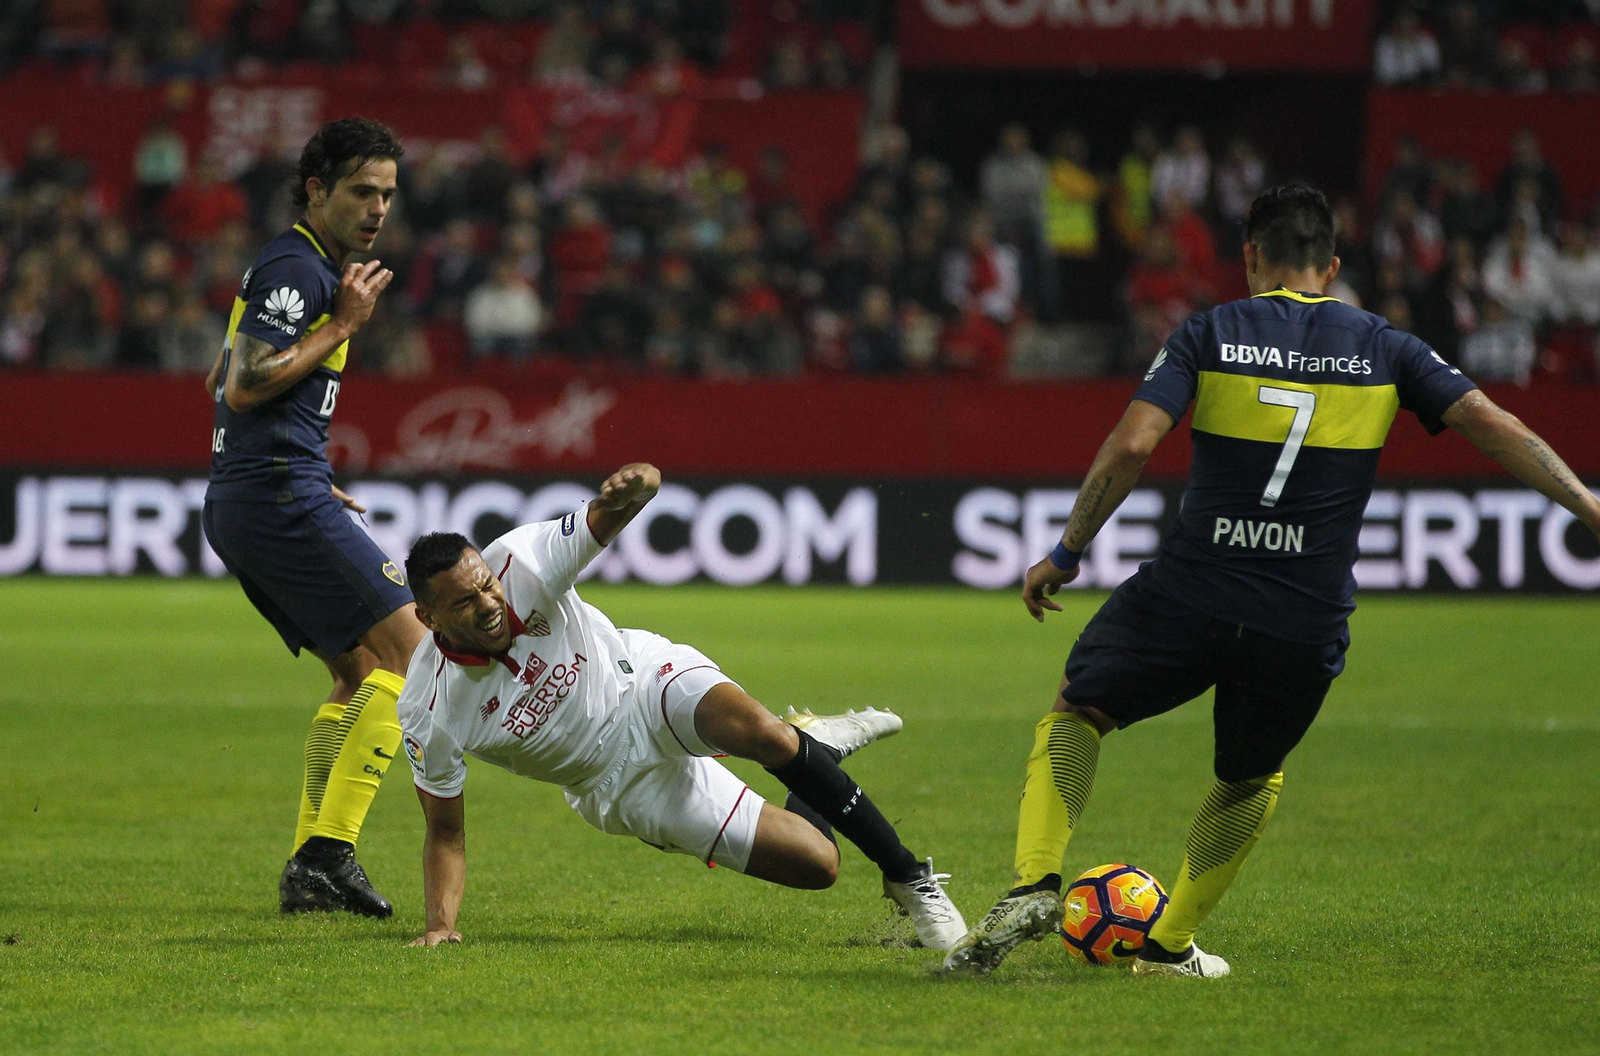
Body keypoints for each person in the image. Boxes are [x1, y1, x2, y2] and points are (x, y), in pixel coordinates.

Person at [942, 183, 1600, 978]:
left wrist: (1068, 550)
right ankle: (1170, 944)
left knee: (1079, 709)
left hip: (1192, 590)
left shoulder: (1211, 332)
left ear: (1250, 257)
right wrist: (1588, 505)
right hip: (1303, 613)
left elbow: (1131, 445)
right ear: (1331, 263)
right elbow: (1496, 427)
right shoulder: (1387, 347)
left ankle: (1034, 882)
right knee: (1251, 775)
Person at [399, 464, 966, 951]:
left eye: (486, 587)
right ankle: (815, 747)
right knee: (819, 865)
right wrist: (440, 926)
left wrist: (640, 483)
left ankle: (908, 876)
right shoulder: (428, 707)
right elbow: (445, 833)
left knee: (766, 737)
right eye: (466, 601)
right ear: (428, 619)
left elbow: (608, 513)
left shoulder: (520, 559)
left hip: (644, 683)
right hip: (617, 783)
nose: (489, 602)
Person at [201, 118, 424, 918]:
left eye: (388, 196)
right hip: (274, 490)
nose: (377, 210)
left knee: (357, 673)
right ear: (317, 190)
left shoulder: (289, 265)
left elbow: (219, 376)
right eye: (362, 191)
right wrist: (343, 327)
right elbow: (244, 382)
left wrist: (286, 458)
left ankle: (311, 869)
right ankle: (329, 852)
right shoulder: (301, 268)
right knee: (416, 656)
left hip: (262, 490)